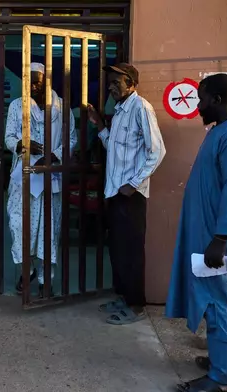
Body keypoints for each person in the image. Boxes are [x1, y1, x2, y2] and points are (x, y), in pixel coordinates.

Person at [165, 73, 227, 392]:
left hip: (220, 241)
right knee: (222, 299)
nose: (197, 106)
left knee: (221, 301)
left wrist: (220, 239)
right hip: (209, 235)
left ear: (217, 100)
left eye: (202, 99)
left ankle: (221, 380)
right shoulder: (222, 131)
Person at [87, 63, 166, 325]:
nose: (111, 87)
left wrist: (133, 183)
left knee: (131, 251)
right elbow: (114, 148)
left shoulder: (141, 108)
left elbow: (157, 151)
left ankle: (136, 306)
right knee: (119, 250)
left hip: (131, 195)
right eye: (109, 82)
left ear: (131, 83)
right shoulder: (119, 111)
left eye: (116, 82)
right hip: (115, 192)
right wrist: (99, 125)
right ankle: (123, 296)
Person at [5, 62, 77, 297]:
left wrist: (54, 154)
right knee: (19, 227)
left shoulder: (61, 107)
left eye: (37, 81)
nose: (32, 86)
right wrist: (21, 144)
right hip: (22, 178)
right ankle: (28, 271)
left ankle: (47, 280)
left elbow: (71, 139)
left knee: (47, 231)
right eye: (28, 82)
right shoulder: (17, 106)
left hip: (49, 178)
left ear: (46, 81)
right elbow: (9, 136)